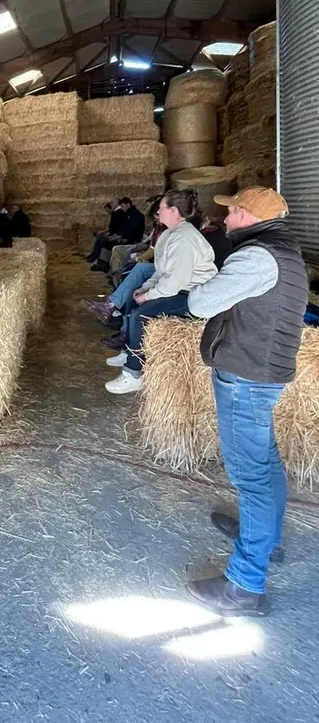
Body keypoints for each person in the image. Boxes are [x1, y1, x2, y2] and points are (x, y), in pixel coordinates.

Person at [184, 187, 308, 616]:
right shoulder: (283, 249)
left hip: (246, 376)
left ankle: (244, 586)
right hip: (262, 371)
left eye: (232, 210)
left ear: (246, 215)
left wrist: (205, 282)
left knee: (251, 476)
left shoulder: (256, 257)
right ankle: (266, 538)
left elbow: (201, 304)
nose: (226, 215)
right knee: (266, 462)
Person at [105, 190, 218, 395]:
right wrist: (145, 288)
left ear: (173, 211)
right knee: (133, 301)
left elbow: (176, 282)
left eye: (162, 208)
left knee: (141, 315)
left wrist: (149, 296)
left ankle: (133, 373)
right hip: (177, 288)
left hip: (193, 293)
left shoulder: (185, 238)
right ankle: (130, 349)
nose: (158, 212)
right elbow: (161, 272)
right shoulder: (168, 234)